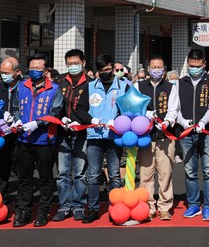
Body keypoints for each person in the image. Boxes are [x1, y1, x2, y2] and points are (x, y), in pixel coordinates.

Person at [10, 53, 63, 227]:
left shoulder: (54, 89)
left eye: (38, 68)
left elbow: (56, 112)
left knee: (46, 178)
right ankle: (24, 212)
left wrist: (37, 123)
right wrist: (17, 119)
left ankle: (43, 212)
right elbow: (16, 107)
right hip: (24, 139)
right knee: (24, 179)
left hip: (44, 140)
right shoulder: (22, 86)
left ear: (46, 70)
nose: (34, 71)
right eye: (32, 68)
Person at [167, 49, 209, 221]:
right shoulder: (180, 83)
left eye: (198, 66)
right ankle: (193, 205)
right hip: (187, 133)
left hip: (207, 132)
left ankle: (208, 206)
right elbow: (175, 108)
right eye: (191, 66)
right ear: (187, 64)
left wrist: (203, 122)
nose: (194, 69)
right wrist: (183, 122)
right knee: (190, 172)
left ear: (204, 64)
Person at [83, 54, 130, 224]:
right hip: (94, 136)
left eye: (108, 69)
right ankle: (93, 209)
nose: (106, 73)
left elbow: (129, 108)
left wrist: (117, 120)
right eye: (102, 70)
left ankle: (116, 208)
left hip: (113, 135)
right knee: (93, 174)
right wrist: (91, 120)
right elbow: (80, 108)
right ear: (97, 71)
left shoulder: (124, 86)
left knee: (115, 174)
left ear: (113, 67)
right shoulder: (90, 87)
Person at [54, 49, 92, 222]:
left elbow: (91, 108)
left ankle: (78, 205)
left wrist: (82, 122)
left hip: (82, 132)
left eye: (76, 63)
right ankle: (63, 206)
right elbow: (54, 105)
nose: (73, 67)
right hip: (62, 131)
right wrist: (60, 118)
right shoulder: (60, 82)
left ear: (83, 63)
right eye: (69, 64)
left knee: (80, 172)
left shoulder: (91, 84)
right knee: (62, 172)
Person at [137, 54, 176, 221]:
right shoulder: (139, 86)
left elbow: (174, 109)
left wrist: (167, 121)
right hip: (145, 137)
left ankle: (165, 206)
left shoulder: (170, 87)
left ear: (164, 69)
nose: (156, 70)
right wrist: (144, 114)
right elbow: (134, 107)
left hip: (164, 137)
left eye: (159, 67)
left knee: (165, 173)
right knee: (146, 174)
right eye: (153, 67)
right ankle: (148, 206)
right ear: (148, 69)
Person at [0, 57, 22, 209]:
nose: (4, 75)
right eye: (2, 72)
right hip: (2, 132)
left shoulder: (24, 85)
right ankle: (0, 198)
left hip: (21, 131)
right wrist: (1, 114)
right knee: (1, 166)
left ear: (17, 72)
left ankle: (21, 200)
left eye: (7, 72)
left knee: (20, 167)